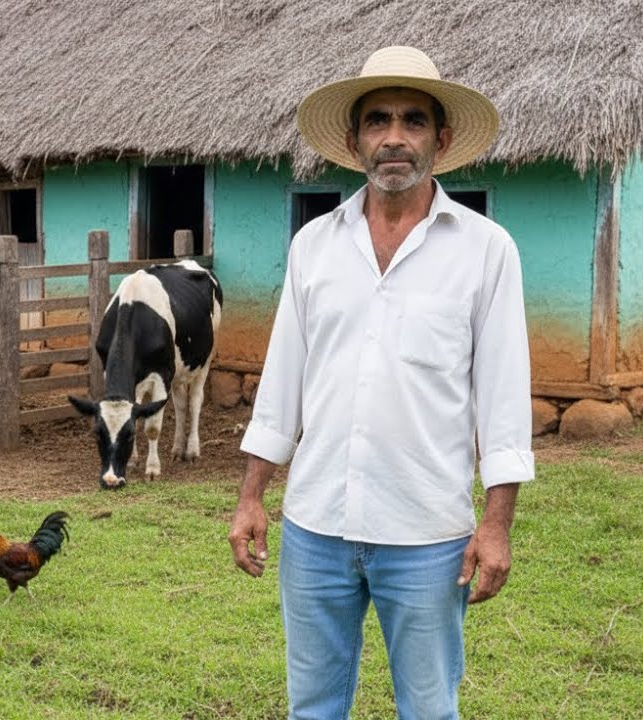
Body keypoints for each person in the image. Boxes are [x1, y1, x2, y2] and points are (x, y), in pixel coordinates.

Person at [228, 46, 535, 720]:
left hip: (428, 535)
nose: (395, 137)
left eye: (413, 121)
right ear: (354, 139)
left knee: (428, 709)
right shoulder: (315, 245)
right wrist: (252, 497)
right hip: (314, 526)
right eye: (378, 121)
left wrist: (497, 525)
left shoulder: (486, 251)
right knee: (312, 707)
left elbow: (504, 403)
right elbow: (282, 387)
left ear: (441, 139)